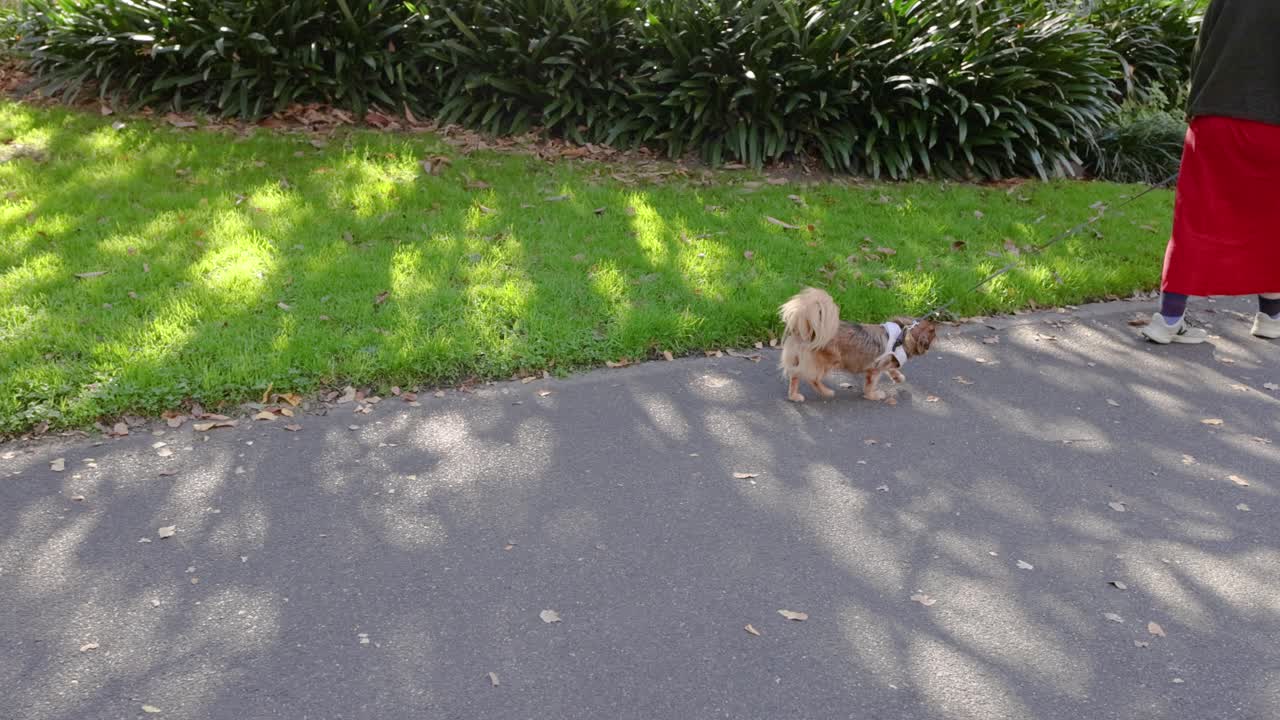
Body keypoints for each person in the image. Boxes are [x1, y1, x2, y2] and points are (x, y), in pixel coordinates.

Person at [1141, 0, 1280, 344]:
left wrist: (1196, 107)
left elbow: (1201, 51)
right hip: (1274, 125)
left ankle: (1169, 319)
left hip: (1213, 116)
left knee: (1195, 219)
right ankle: (1271, 316)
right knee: (1271, 221)